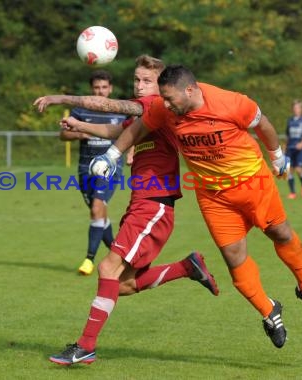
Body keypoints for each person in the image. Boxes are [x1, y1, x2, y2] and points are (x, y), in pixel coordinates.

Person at [90, 65, 302, 349]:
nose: (164, 104)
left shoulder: (230, 102)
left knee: (280, 234)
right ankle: (269, 311)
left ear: (189, 90)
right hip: (214, 196)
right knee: (234, 259)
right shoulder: (165, 109)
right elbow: (141, 126)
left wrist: (276, 156)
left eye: (169, 98)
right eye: (163, 99)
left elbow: (263, 123)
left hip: (254, 184)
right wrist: (111, 155)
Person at [34, 56, 219, 365]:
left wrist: (60, 98)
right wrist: (80, 125)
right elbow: (118, 132)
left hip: (154, 204)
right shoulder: (145, 114)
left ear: (161, 88)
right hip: (144, 204)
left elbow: (110, 106)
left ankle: (85, 346)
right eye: (136, 79)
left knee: (107, 269)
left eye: (146, 81)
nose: (139, 85)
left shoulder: (157, 106)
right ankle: (187, 267)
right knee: (124, 285)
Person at [59, 70, 127, 275]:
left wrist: (131, 153)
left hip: (110, 167)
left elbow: (132, 132)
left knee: (97, 208)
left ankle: (89, 260)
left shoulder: (120, 110)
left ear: (111, 89)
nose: (100, 91)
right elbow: (63, 135)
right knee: (100, 214)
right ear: (92, 89)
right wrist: (82, 132)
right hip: (85, 168)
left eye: (104, 87)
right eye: (97, 87)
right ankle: (119, 256)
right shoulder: (80, 110)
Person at [285, 99, 302, 199]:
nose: (295, 109)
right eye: (294, 107)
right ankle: (292, 193)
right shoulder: (290, 120)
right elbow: (288, 135)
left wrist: (301, 143)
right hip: (291, 148)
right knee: (289, 170)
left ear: (301, 109)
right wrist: (285, 147)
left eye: (297, 107)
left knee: (298, 169)